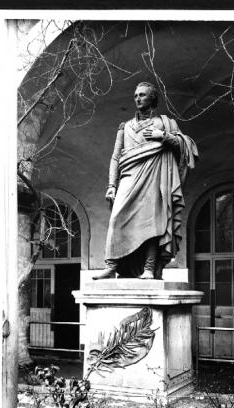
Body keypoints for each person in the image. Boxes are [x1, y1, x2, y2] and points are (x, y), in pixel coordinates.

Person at [93, 82, 198, 280]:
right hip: (129, 177)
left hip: (155, 177)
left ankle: (149, 268)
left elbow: (186, 147)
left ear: (152, 99)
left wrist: (164, 136)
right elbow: (116, 157)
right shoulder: (125, 127)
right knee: (116, 218)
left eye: (142, 95)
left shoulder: (165, 123)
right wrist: (111, 185)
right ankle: (112, 265)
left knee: (153, 223)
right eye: (135, 95)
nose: (137, 98)